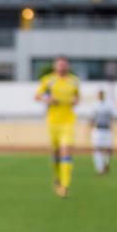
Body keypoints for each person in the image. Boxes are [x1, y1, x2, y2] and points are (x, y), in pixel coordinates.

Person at [34, 56, 79, 198]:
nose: (62, 67)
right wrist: (48, 99)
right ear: (55, 66)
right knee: (55, 154)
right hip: (53, 122)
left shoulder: (74, 81)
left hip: (68, 122)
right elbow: (37, 96)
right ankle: (57, 179)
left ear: (67, 66)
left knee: (66, 152)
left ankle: (65, 186)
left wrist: (74, 101)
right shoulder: (48, 80)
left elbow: (77, 98)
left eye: (64, 64)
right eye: (59, 65)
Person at [90, 90, 116, 175]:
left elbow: (113, 117)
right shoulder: (95, 105)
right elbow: (92, 119)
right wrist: (89, 129)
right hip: (98, 129)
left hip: (107, 129)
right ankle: (100, 168)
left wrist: (115, 127)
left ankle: (106, 163)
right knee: (97, 148)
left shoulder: (109, 105)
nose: (100, 96)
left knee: (108, 148)